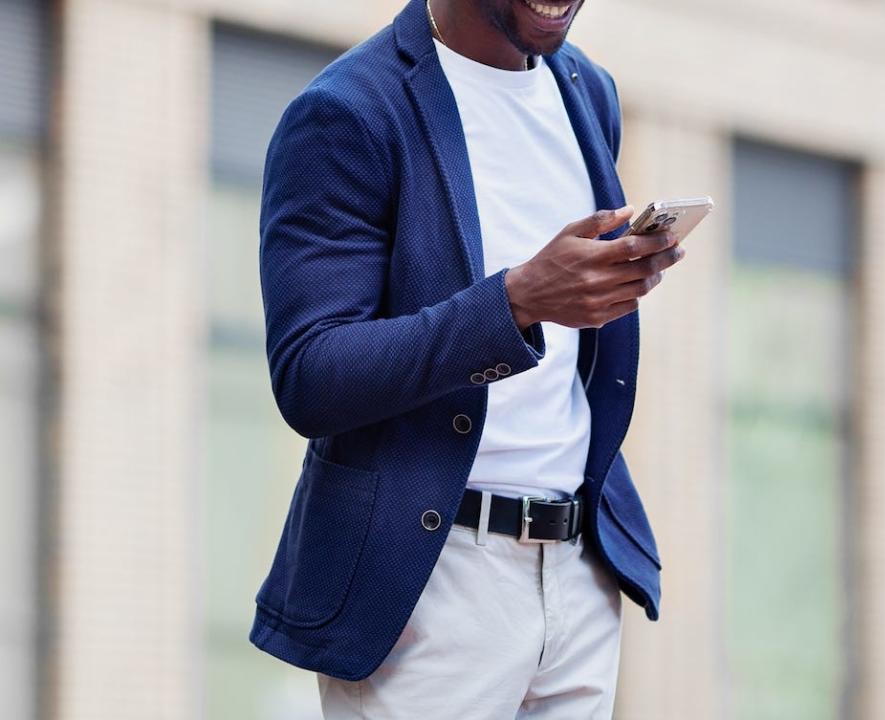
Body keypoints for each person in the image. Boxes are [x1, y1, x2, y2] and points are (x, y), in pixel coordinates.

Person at [250, 0, 684, 716]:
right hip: (430, 581)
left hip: (578, 574)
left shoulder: (587, 91)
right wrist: (514, 303)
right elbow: (312, 372)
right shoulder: (347, 112)